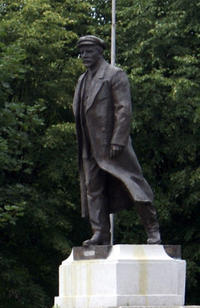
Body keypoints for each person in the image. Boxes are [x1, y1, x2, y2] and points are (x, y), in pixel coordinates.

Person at [73, 34, 161, 246]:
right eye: (81, 52)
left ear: (100, 52)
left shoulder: (114, 75)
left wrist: (118, 140)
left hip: (112, 144)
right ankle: (100, 233)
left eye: (89, 51)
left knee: (134, 186)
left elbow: (123, 109)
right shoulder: (82, 80)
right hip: (88, 145)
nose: (84, 56)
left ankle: (153, 230)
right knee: (93, 189)